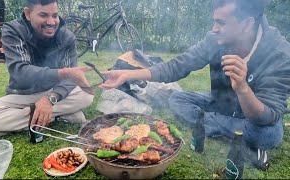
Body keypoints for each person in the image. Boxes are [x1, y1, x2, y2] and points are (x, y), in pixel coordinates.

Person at [99, 0, 290, 171]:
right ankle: (233, 134)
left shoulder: (279, 54)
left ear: (247, 24)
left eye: (221, 23)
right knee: (176, 99)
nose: (214, 28)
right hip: (220, 105)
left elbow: (267, 115)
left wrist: (242, 88)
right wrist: (128, 74)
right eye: (215, 21)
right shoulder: (215, 39)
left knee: (266, 134)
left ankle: (213, 126)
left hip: (254, 117)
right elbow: (179, 65)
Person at [0, 0, 94, 137]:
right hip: (23, 94)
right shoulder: (13, 31)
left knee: (87, 94)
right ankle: (57, 116)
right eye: (43, 15)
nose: (51, 22)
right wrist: (62, 73)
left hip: (53, 92)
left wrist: (50, 98)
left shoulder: (67, 37)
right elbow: (20, 72)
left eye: (55, 15)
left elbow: (72, 78)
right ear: (28, 14)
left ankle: (31, 118)